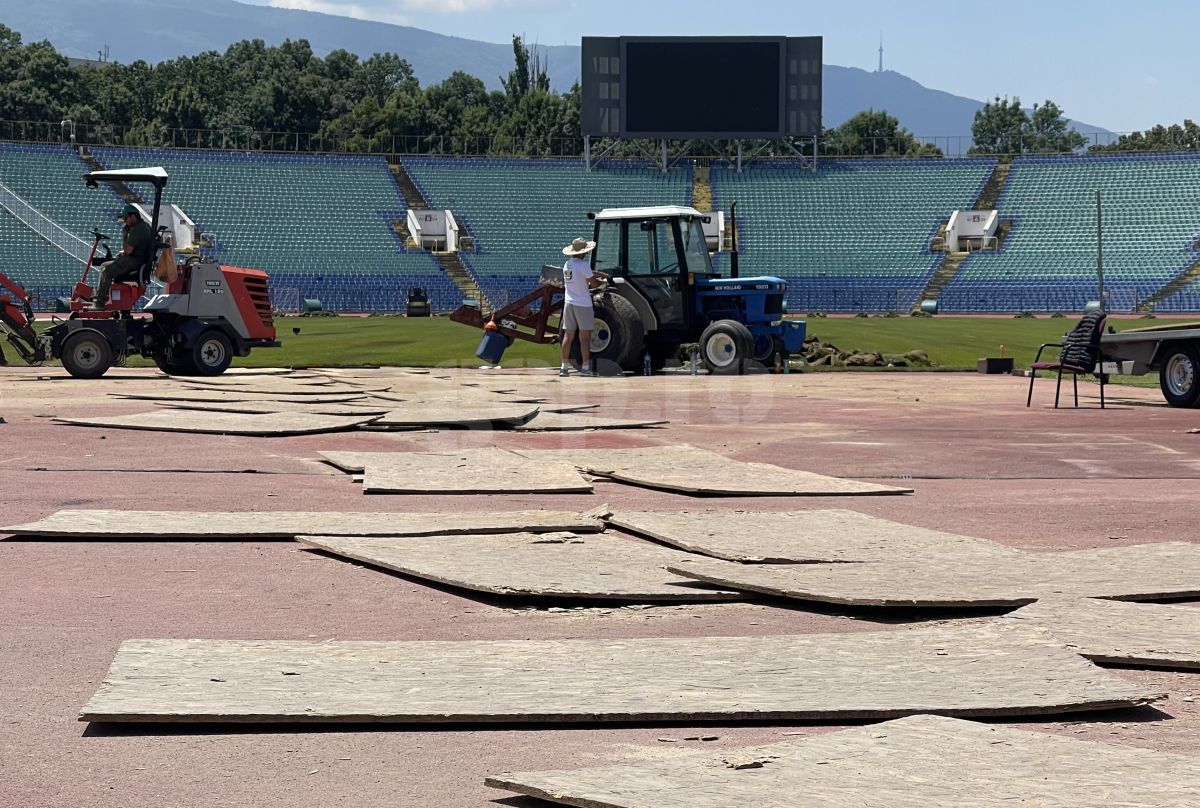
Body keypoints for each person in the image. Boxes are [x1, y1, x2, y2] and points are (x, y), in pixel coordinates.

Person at [558, 236, 608, 377]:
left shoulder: (567, 265)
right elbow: (594, 283)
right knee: (584, 338)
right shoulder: (583, 265)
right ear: (582, 252)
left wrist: (598, 274)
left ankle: (564, 367)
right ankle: (585, 368)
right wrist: (603, 282)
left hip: (569, 303)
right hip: (583, 304)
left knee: (568, 335)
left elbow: (582, 275)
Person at [93, 204, 153, 309]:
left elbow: (128, 250)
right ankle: (104, 297)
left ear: (133, 216)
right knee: (104, 264)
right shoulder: (146, 226)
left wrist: (124, 234)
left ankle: (100, 303)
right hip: (139, 259)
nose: (125, 221)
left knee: (106, 269)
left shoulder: (136, 229)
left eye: (126, 218)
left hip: (134, 261)